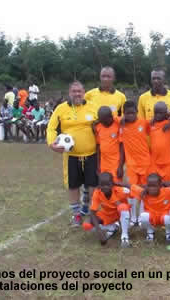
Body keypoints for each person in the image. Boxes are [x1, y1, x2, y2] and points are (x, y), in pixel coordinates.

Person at [47, 81, 99, 227]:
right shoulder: (61, 109)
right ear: (69, 93)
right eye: (74, 91)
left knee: (93, 185)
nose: (77, 94)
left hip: (91, 154)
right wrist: (52, 143)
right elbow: (51, 128)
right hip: (70, 156)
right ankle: (76, 215)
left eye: (79, 91)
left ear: (84, 92)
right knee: (73, 185)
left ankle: (91, 213)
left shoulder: (93, 107)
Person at [119, 101, 151, 226]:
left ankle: (143, 216)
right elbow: (109, 118)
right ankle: (133, 217)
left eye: (132, 113)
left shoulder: (144, 122)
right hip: (131, 164)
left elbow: (156, 125)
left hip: (145, 162)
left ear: (137, 112)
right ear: (124, 114)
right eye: (127, 113)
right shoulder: (122, 125)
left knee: (144, 190)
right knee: (132, 190)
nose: (130, 115)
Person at [126, 173, 170, 243]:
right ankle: (150, 232)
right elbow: (130, 186)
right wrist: (113, 183)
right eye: (149, 186)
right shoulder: (144, 192)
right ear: (146, 186)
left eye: (154, 186)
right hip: (152, 216)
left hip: (164, 216)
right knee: (143, 216)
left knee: (168, 217)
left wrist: (166, 183)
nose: (152, 189)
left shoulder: (168, 192)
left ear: (160, 186)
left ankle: (168, 233)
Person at [82, 172, 131, 247]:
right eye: (102, 185)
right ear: (99, 185)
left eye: (108, 184)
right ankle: (112, 227)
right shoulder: (97, 192)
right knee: (87, 225)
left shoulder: (120, 190)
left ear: (112, 184)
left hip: (119, 215)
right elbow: (92, 212)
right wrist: (99, 230)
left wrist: (119, 184)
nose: (105, 187)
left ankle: (124, 236)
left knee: (123, 207)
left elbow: (134, 189)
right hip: (107, 215)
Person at [94, 106, 125, 181]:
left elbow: (122, 146)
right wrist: (98, 165)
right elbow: (98, 147)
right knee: (105, 185)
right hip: (104, 163)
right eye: (101, 121)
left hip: (115, 163)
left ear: (111, 117)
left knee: (116, 184)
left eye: (105, 121)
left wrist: (120, 166)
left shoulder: (118, 125)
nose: (103, 123)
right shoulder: (98, 127)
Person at [149, 102, 170, 181]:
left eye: (161, 113)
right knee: (154, 184)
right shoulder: (150, 124)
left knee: (167, 184)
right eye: (156, 113)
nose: (158, 115)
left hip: (167, 162)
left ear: (166, 113)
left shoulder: (169, 123)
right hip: (154, 162)